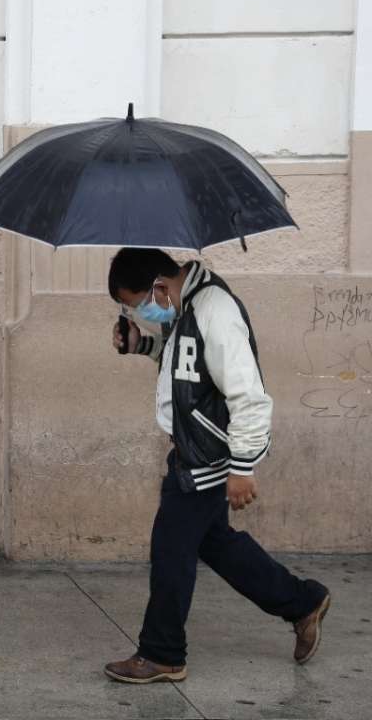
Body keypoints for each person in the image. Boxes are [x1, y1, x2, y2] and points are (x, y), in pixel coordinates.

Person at [103, 248, 330, 684]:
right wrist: (143, 344)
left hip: (208, 454)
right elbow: (186, 368)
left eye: (137, 303)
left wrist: (243, 466)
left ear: (158, 287)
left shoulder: (216, 310)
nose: (140, 311)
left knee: (170, 546)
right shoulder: (186, 305)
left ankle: (163, 652)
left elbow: (248, 393)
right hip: (195, 448)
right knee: (215, 543)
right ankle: (303, 602)